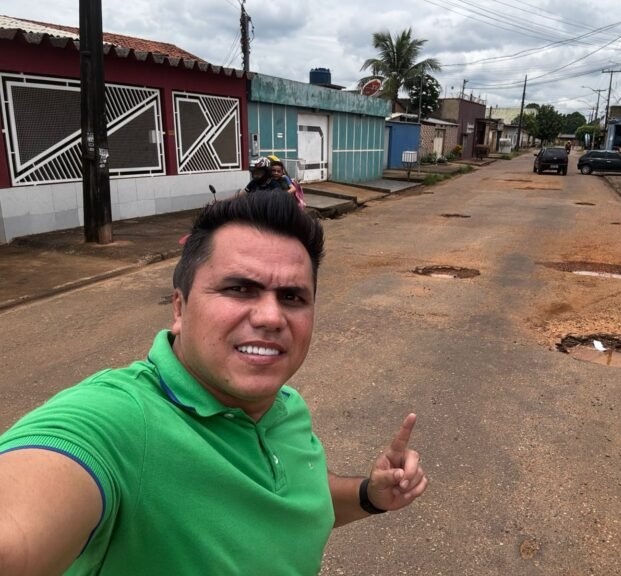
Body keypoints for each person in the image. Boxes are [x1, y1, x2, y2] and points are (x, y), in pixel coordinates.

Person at [0, 190, 427, 574]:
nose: (271, 317)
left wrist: (370, 495)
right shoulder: (120, 422)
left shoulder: (285, 405)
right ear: (180, 308)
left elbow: (300, 496)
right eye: (240, 289)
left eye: (292, 298)